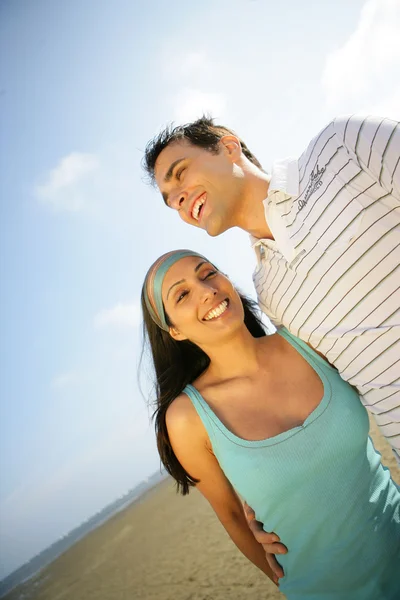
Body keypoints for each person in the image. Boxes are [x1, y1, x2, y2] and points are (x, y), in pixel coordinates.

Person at [143, 114, 400, 577]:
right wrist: (258, 482)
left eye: (180, 174)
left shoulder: (342, 148)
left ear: (228, 146)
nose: (180, 200)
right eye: (171, 200)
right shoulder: (274, 294)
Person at [141, 248, 400, 600]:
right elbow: (232, 515)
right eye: (182, 294)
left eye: (208, 274)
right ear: (174, 330)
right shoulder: (188, 417)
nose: (206, 290)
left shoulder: (305, 339)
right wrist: (288, 582)